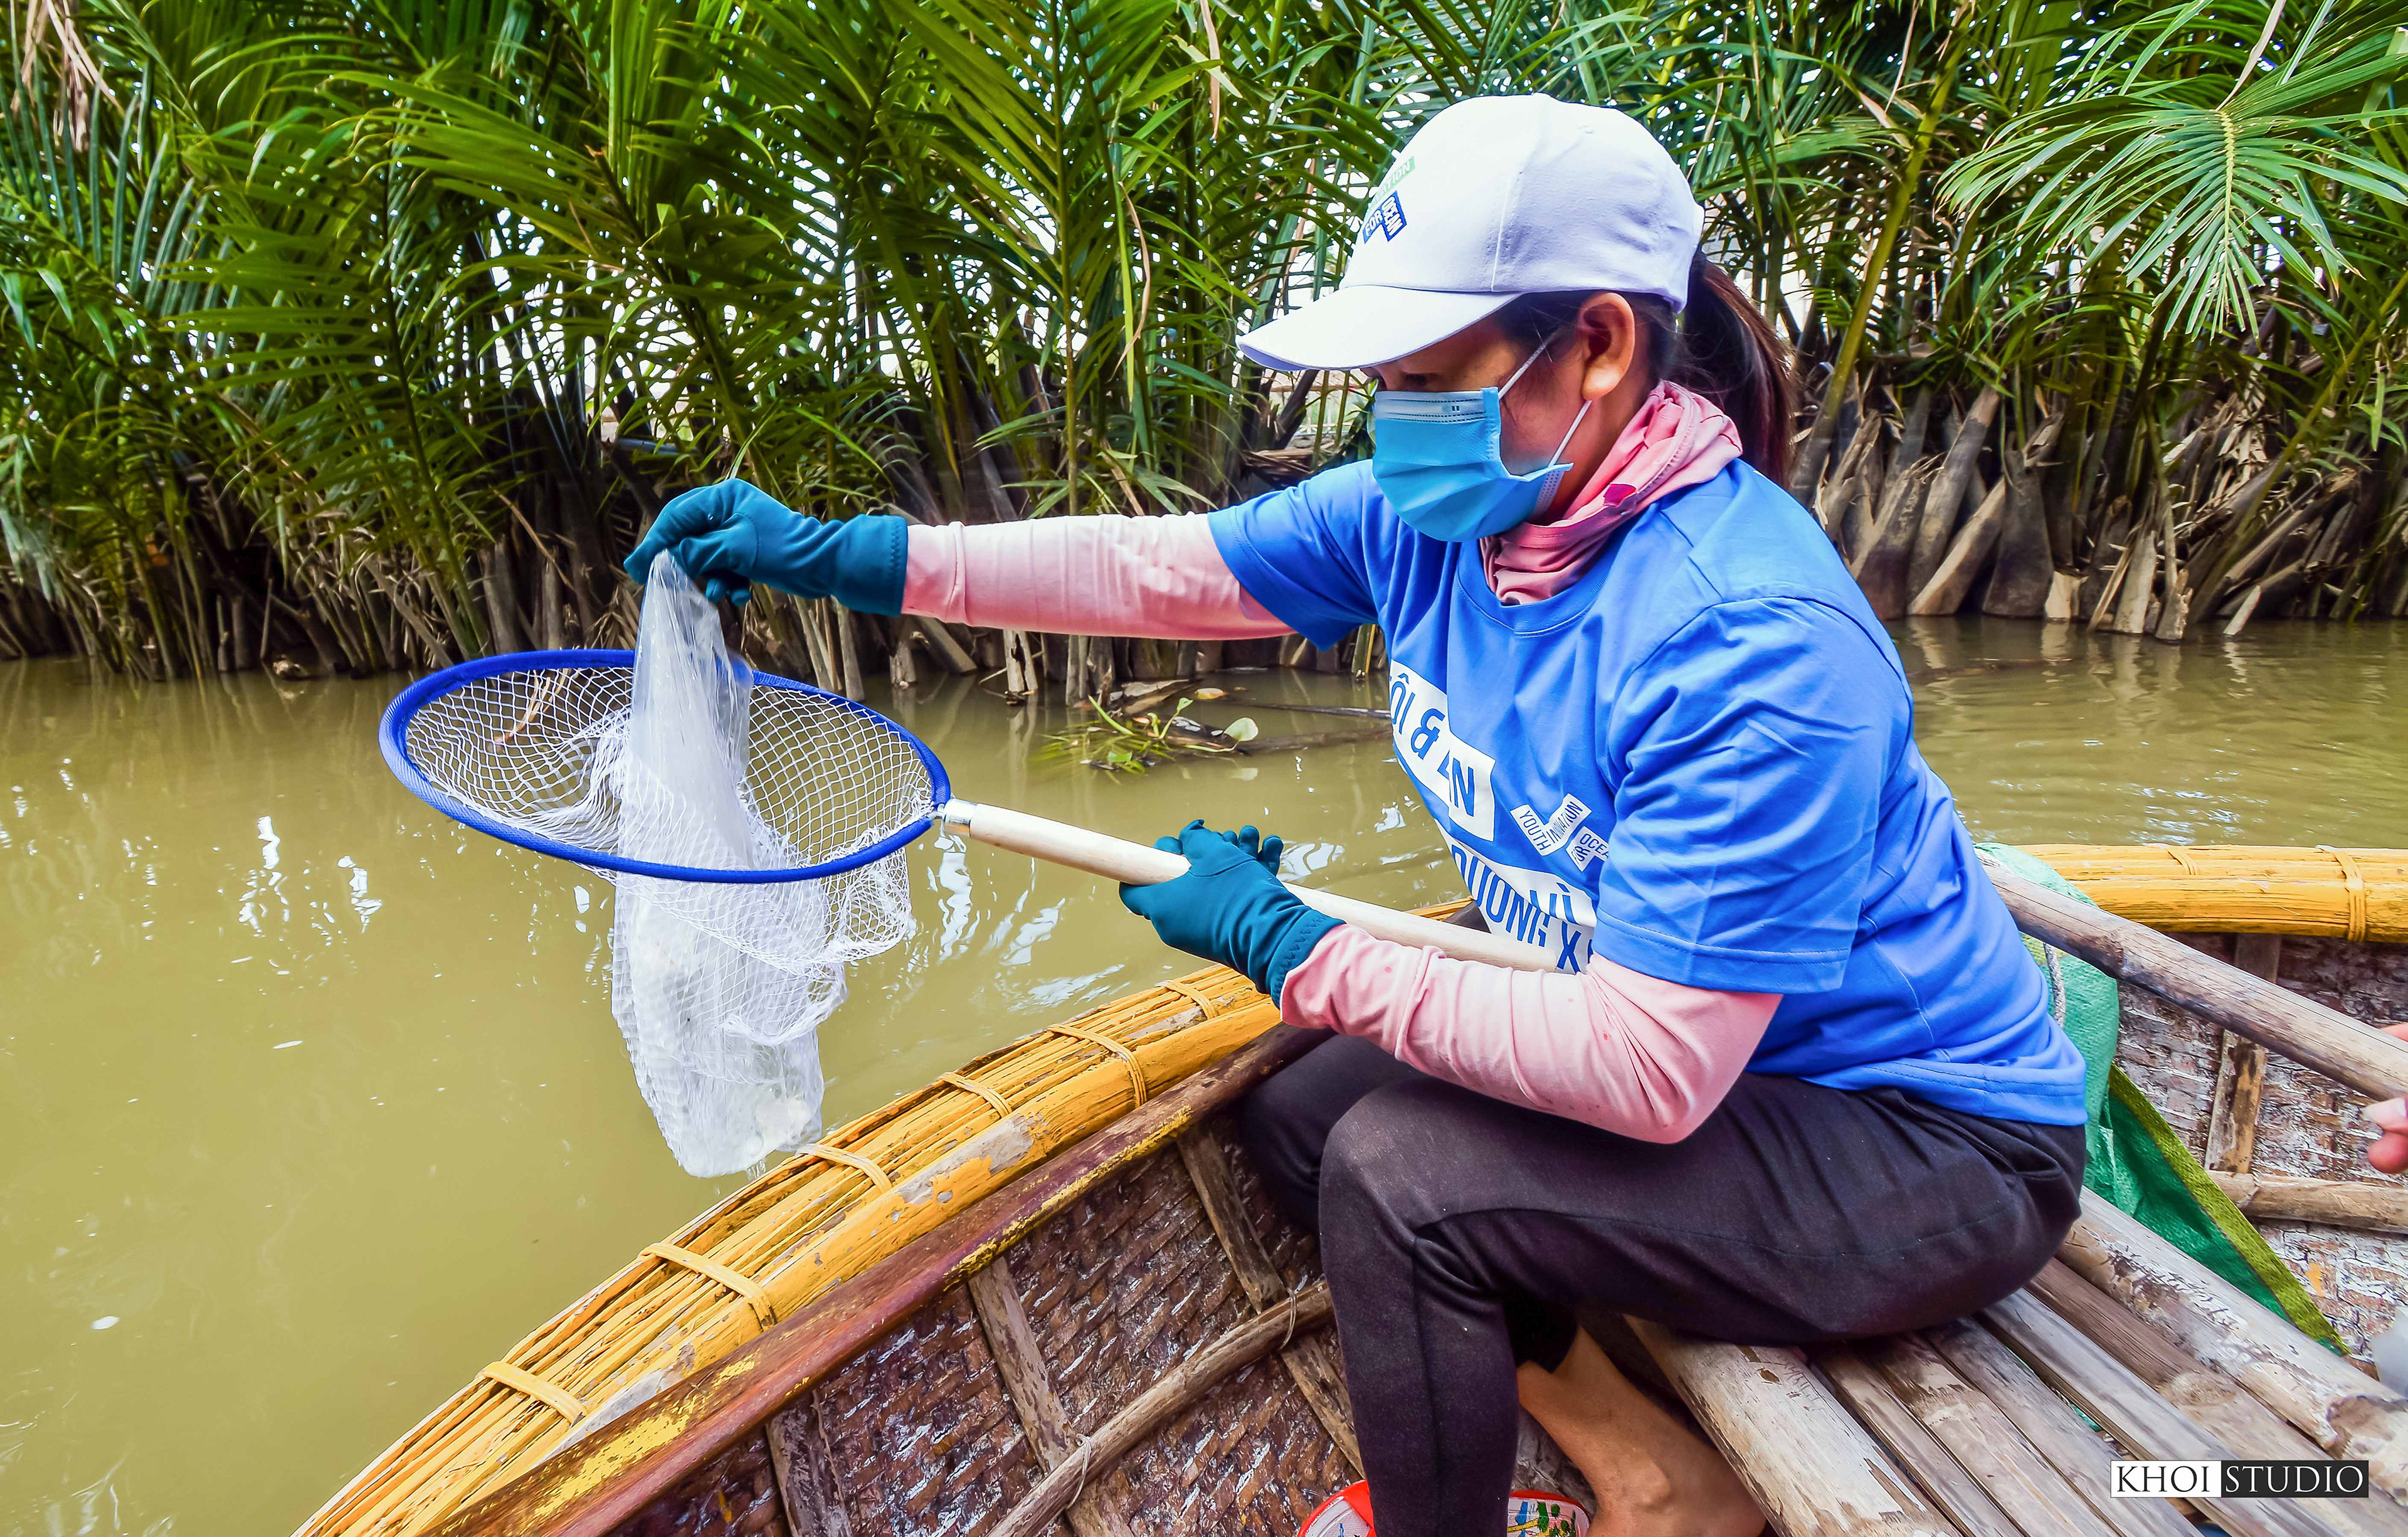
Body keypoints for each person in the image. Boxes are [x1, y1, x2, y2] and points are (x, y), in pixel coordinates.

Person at [623, 95, 2405, 1537]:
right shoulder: (1442, 515)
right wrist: (857, 553)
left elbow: (1647, 1072)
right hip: (1736, 1067)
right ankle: (1649, 1475)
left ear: (1602, 348)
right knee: (1311, 1111)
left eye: (1419, 375)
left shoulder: (1743, 640)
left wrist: (1297, 943)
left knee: (1405, 1182)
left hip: (1919, 1150)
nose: (1383, 418)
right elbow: (1168, 563)